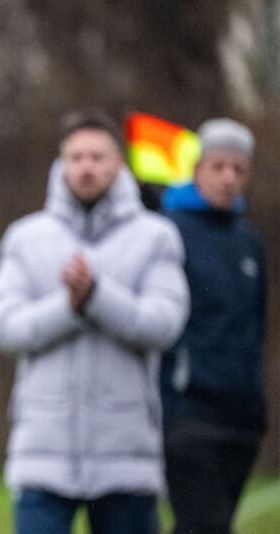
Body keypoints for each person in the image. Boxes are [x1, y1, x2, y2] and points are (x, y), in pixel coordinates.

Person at [0, 110, 190, 534]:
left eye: (98, 157)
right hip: (41, 453)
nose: (86, 167)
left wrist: (98, 296)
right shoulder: (26, 237)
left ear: (119, 164)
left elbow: (165, 323)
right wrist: (72, 307)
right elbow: (4, 327)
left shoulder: (157, 236)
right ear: (61, 163)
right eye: (75, 157)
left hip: (127, 457)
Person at [160, 118, 266, 534]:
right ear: (197, 168)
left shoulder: (248, 242)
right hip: (187, 413)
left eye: (239, 169)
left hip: (241, 420)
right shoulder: (168, 232)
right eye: (219, 166)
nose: (228, 178)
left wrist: (256, 408)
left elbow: (255, 327)